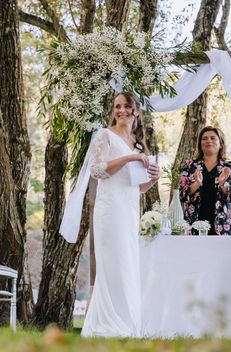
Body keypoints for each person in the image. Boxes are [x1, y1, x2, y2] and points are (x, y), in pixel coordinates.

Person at [82, 92, 160, 338]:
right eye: (117, 106)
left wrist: (152, 180)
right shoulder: (105, 135)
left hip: (128, 210)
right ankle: (106, 323)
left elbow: (135, 188)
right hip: (109, 208)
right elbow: (96, 171)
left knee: (126, 263)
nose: (121, 110)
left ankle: (126, 321)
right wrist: (128, 158)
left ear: (136, 110)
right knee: (111, 263)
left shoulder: (137, 144)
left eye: (127, 106)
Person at [179, 126, 231, 235]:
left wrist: (223, 184)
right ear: (200, 145)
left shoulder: (230, 167)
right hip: (193, 225)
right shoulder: (190, 166)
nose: (208, 141)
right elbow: (181, 195)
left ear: (221, 144)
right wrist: (197, 184)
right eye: (204, 138)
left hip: (221, 227)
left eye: (213, 138)